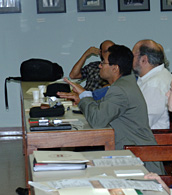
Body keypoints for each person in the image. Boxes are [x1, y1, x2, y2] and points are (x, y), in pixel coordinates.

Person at [58, 45, 164, 175]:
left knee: (79, 164)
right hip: (130, 150)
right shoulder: (125, 83)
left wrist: (84, 97)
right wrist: (84, 95)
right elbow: (103, 108)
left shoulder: (119, 90)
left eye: (103, 63)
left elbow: (97, 120)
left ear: (115, 68)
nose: (100, 66)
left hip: (138, 158)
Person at [132, 39, 172, 129]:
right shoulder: (155, 78)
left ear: (144, 59)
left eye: (133, 56)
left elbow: (142, 123)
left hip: (152, 140)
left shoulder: (154, 84)